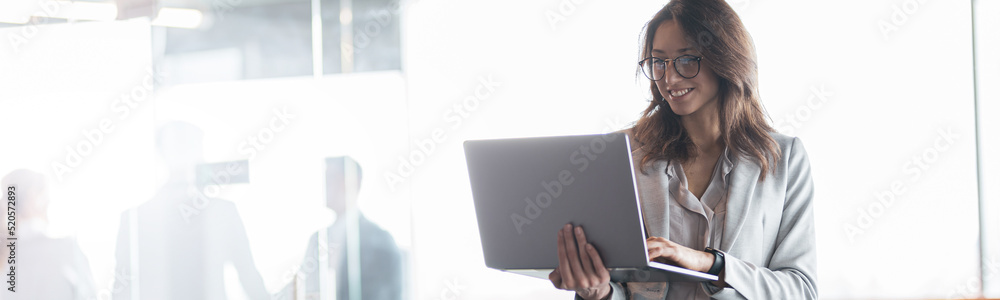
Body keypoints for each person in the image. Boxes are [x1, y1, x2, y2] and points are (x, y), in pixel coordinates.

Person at [548, 0, 817, 299]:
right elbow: (621, 285)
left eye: (687, 59)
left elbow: (800, 289)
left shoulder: (784, 157)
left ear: (725, 59)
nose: (670, 78)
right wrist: (598, 293)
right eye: (659, 62)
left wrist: (710, 264)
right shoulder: (620, 154)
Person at [112, 121, 269, 300]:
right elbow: (121, 288)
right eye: (179, 145)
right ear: (163, 153)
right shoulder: (135, 219)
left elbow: (249, 276)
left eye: (191, 145)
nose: (185, 153)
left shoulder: (223, 212)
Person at [275, 156, 403, 300]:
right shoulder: (317, 238)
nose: (325, 186)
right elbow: (303, 287)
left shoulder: (380, 240)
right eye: (325, 179)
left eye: (331, 178)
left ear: (354, 183)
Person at [0, 169, 97, 300]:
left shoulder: (6, 255)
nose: (49, 202)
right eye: (46, 196)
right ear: (33, 197)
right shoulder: (65, 249)